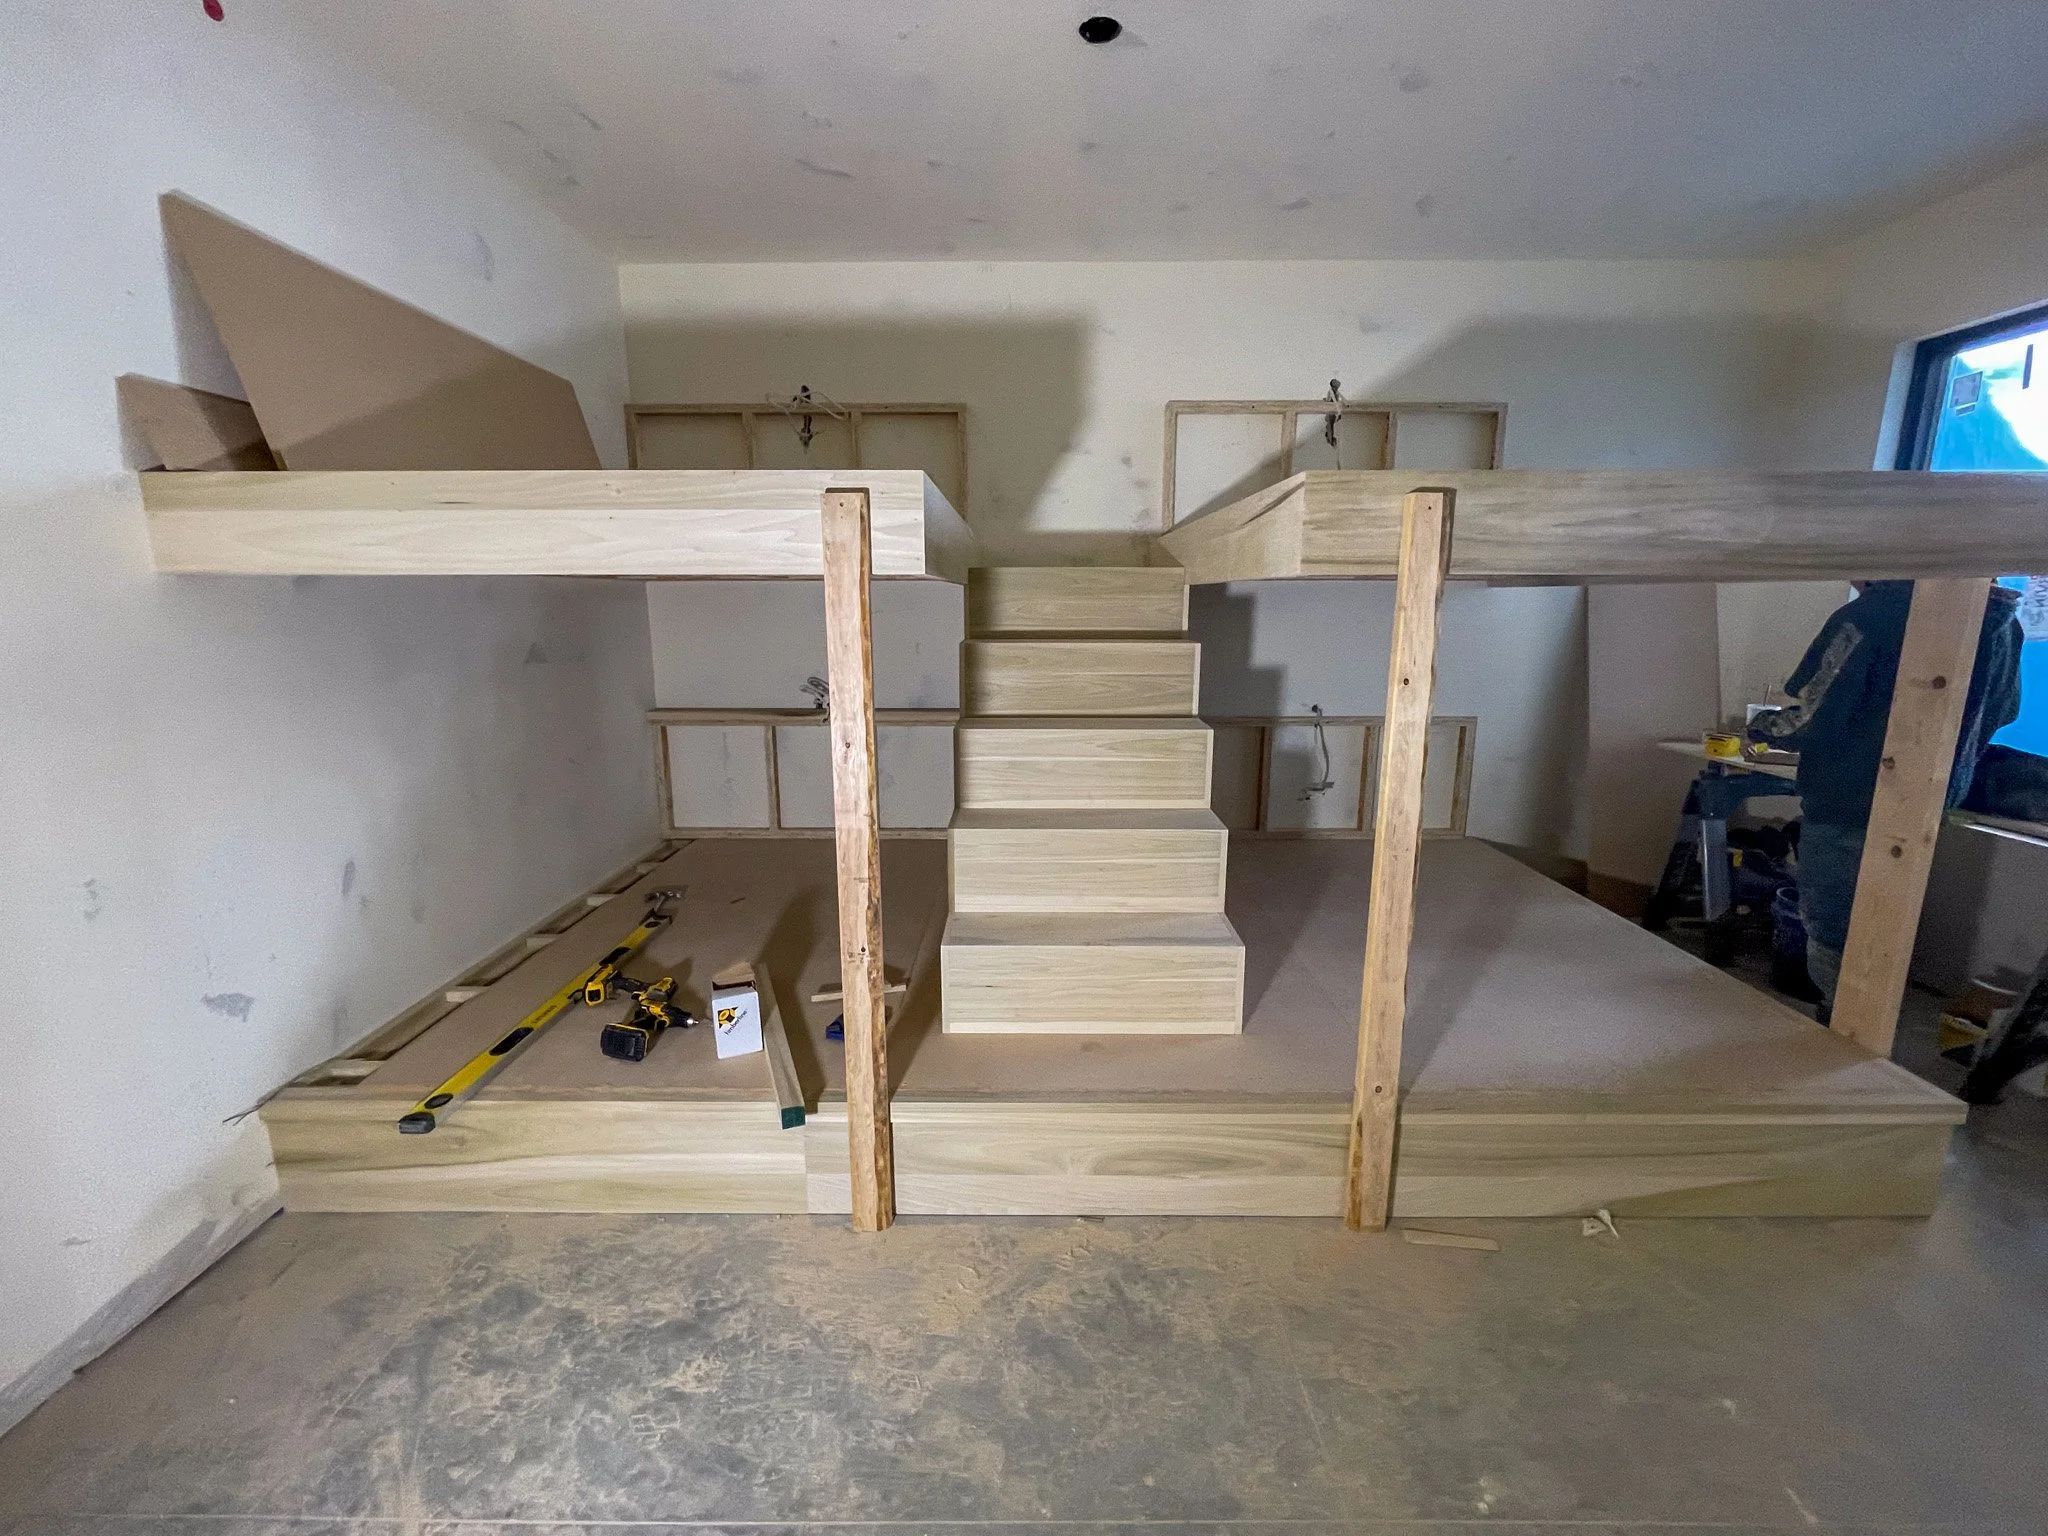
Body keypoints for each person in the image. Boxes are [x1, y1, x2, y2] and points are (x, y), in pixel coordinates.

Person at [1745, 581, 2022, 1005]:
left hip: (1847, 803)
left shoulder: (1867, 616)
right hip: (1929, 805)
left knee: (1834, 939)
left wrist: (1763, 727)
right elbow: (2005, 711)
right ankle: (1867, 1042)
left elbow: (1815, 718)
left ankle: (1843, 1045)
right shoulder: (2003, 622)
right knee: (1885, 935)